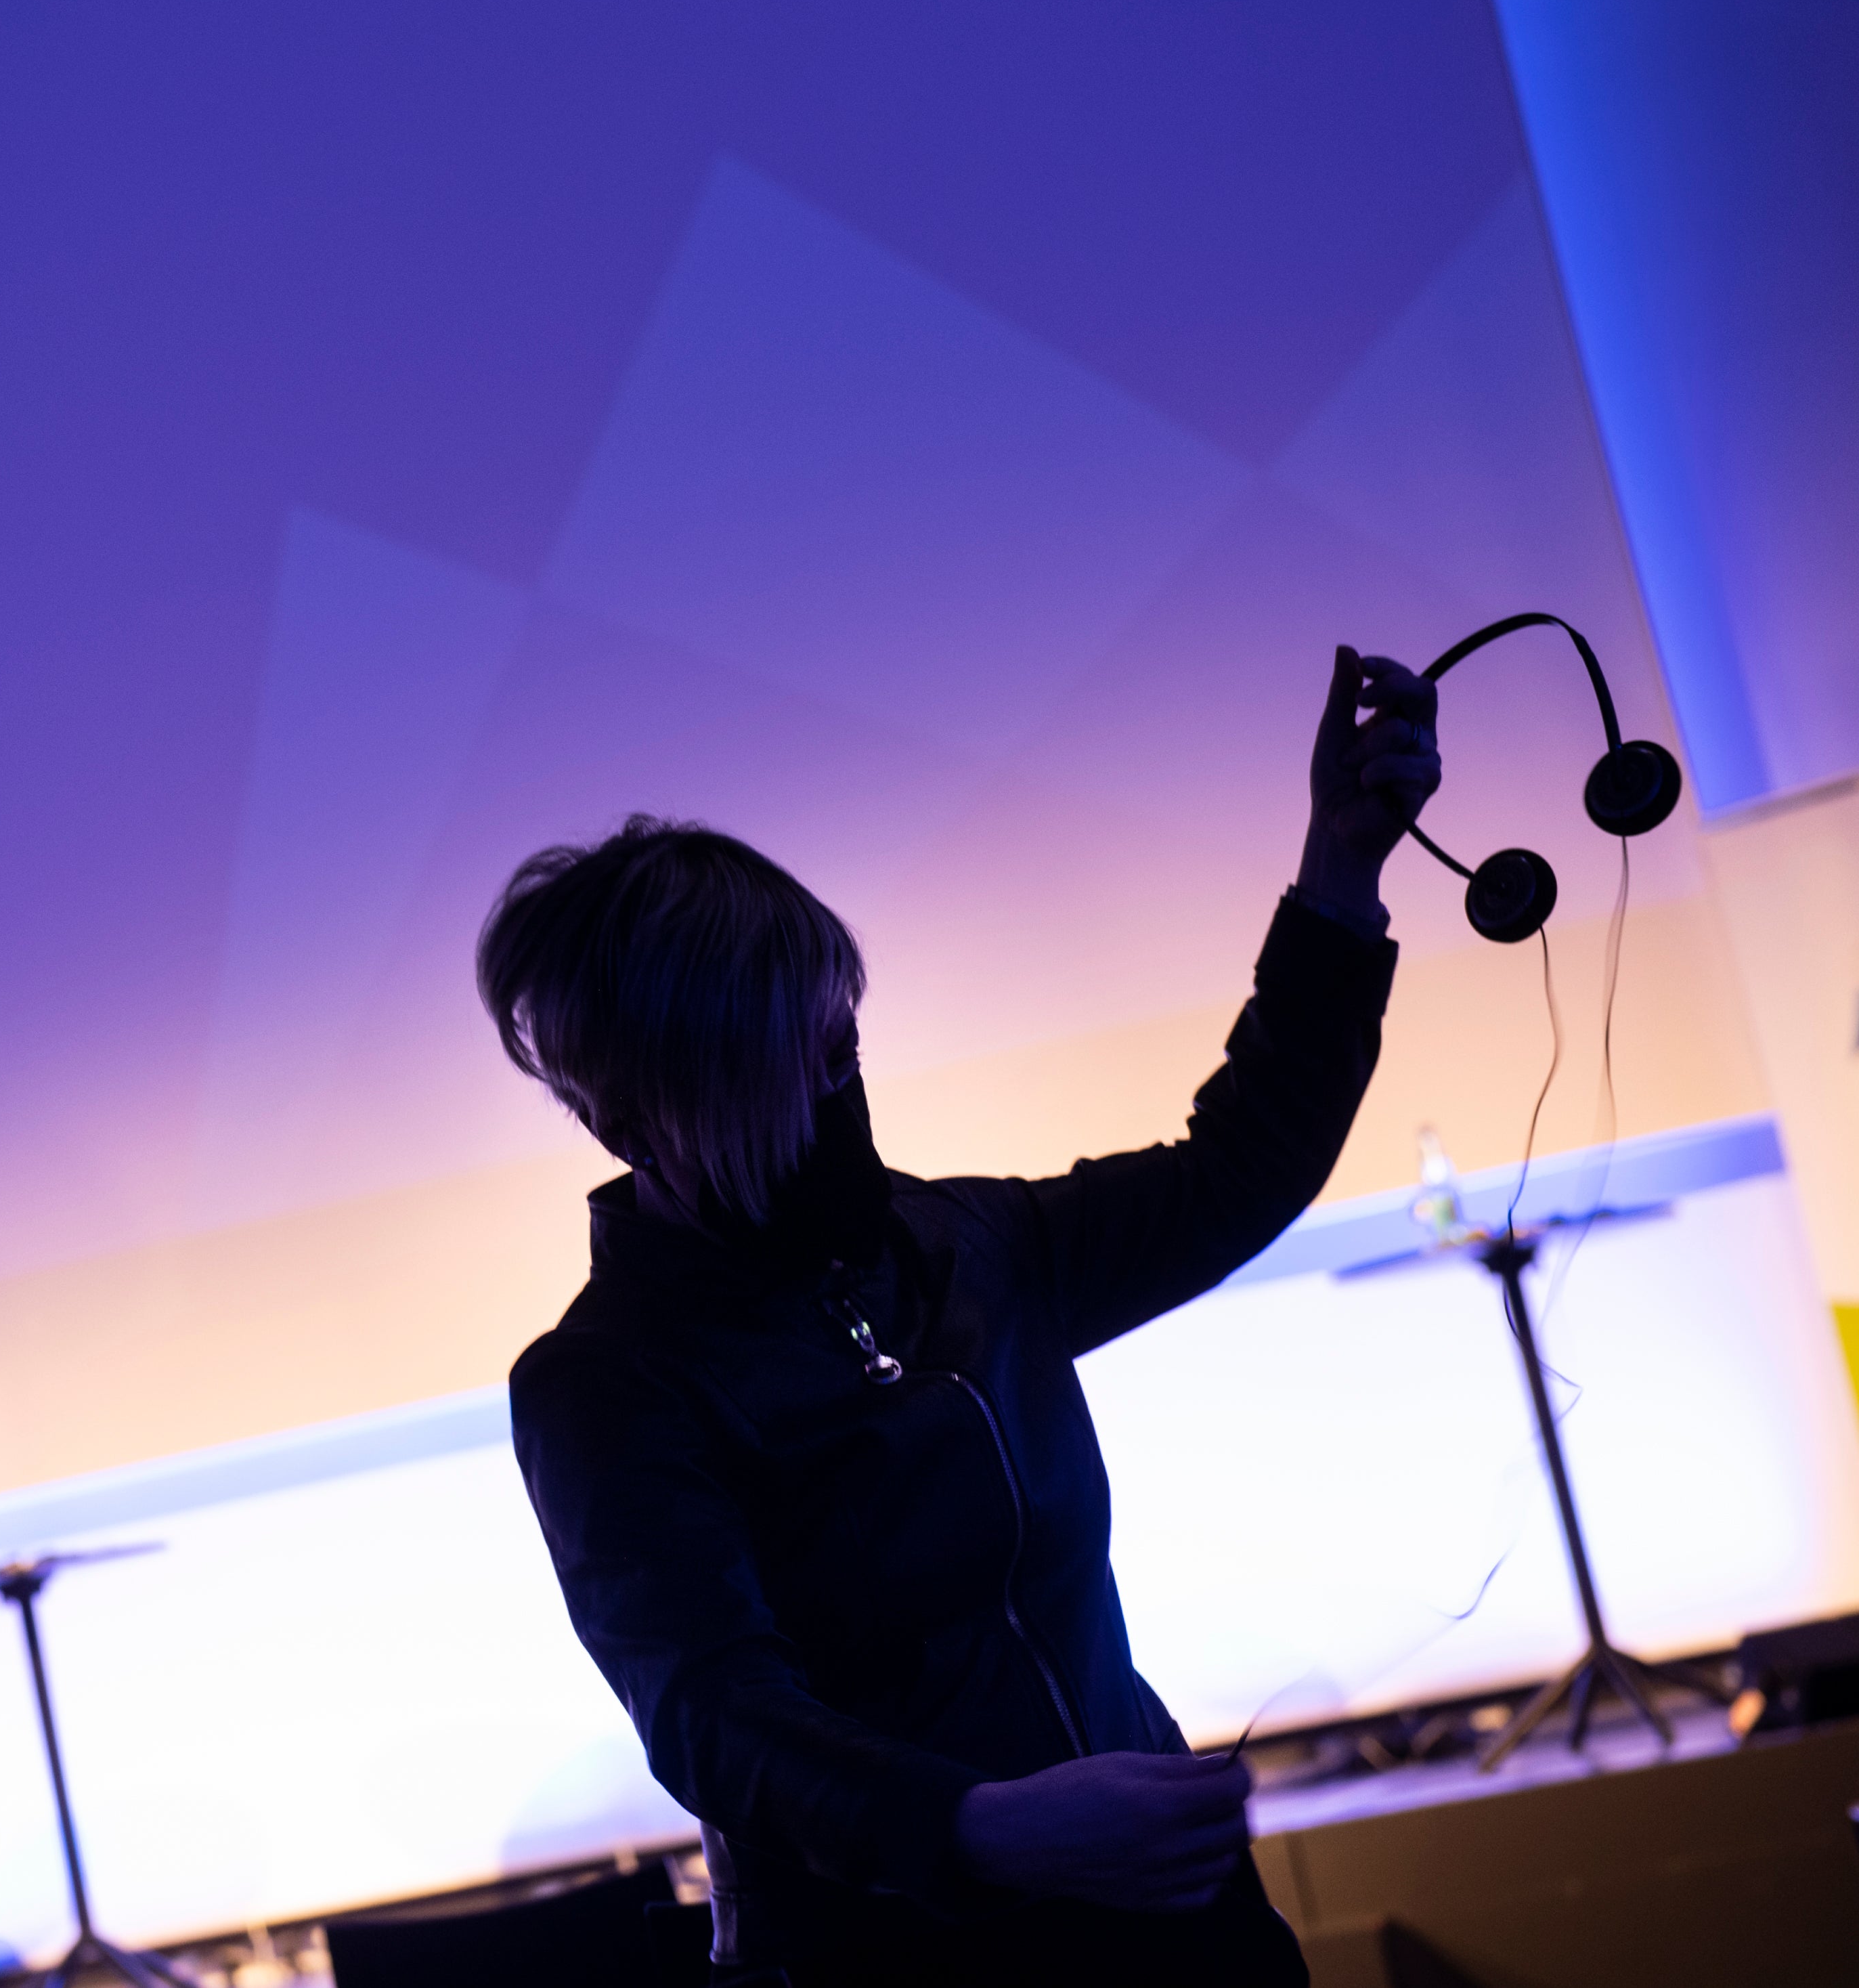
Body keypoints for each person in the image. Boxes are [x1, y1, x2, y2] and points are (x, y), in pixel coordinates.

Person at [479, 647, 1441, 1985]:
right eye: (793, 1080)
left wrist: (1339, 871)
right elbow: (717, 1714)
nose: (841, 1098)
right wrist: (985, 1828)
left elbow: (1234, 1171)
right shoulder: (607, 1384)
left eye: (846, 1050)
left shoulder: (962, 1243)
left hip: (1167, 1918)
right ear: (640, 1122)